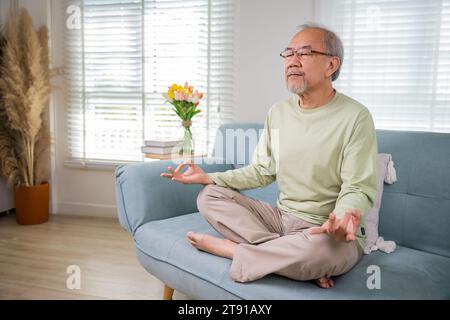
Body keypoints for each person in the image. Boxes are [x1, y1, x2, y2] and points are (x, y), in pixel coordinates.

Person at [161, 23, 378, 289]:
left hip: (325, 229)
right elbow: (262, 170)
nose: (292, 62)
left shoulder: (356, 116)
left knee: (320, 250)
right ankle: (289, 259)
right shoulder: (278, 111)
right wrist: (209, 176)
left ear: (331, 66)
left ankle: (233, 250)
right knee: (209, 195)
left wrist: (343, 218)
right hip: (280, 220)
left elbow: (357, 186)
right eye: (288, 54)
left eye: (304, 53)